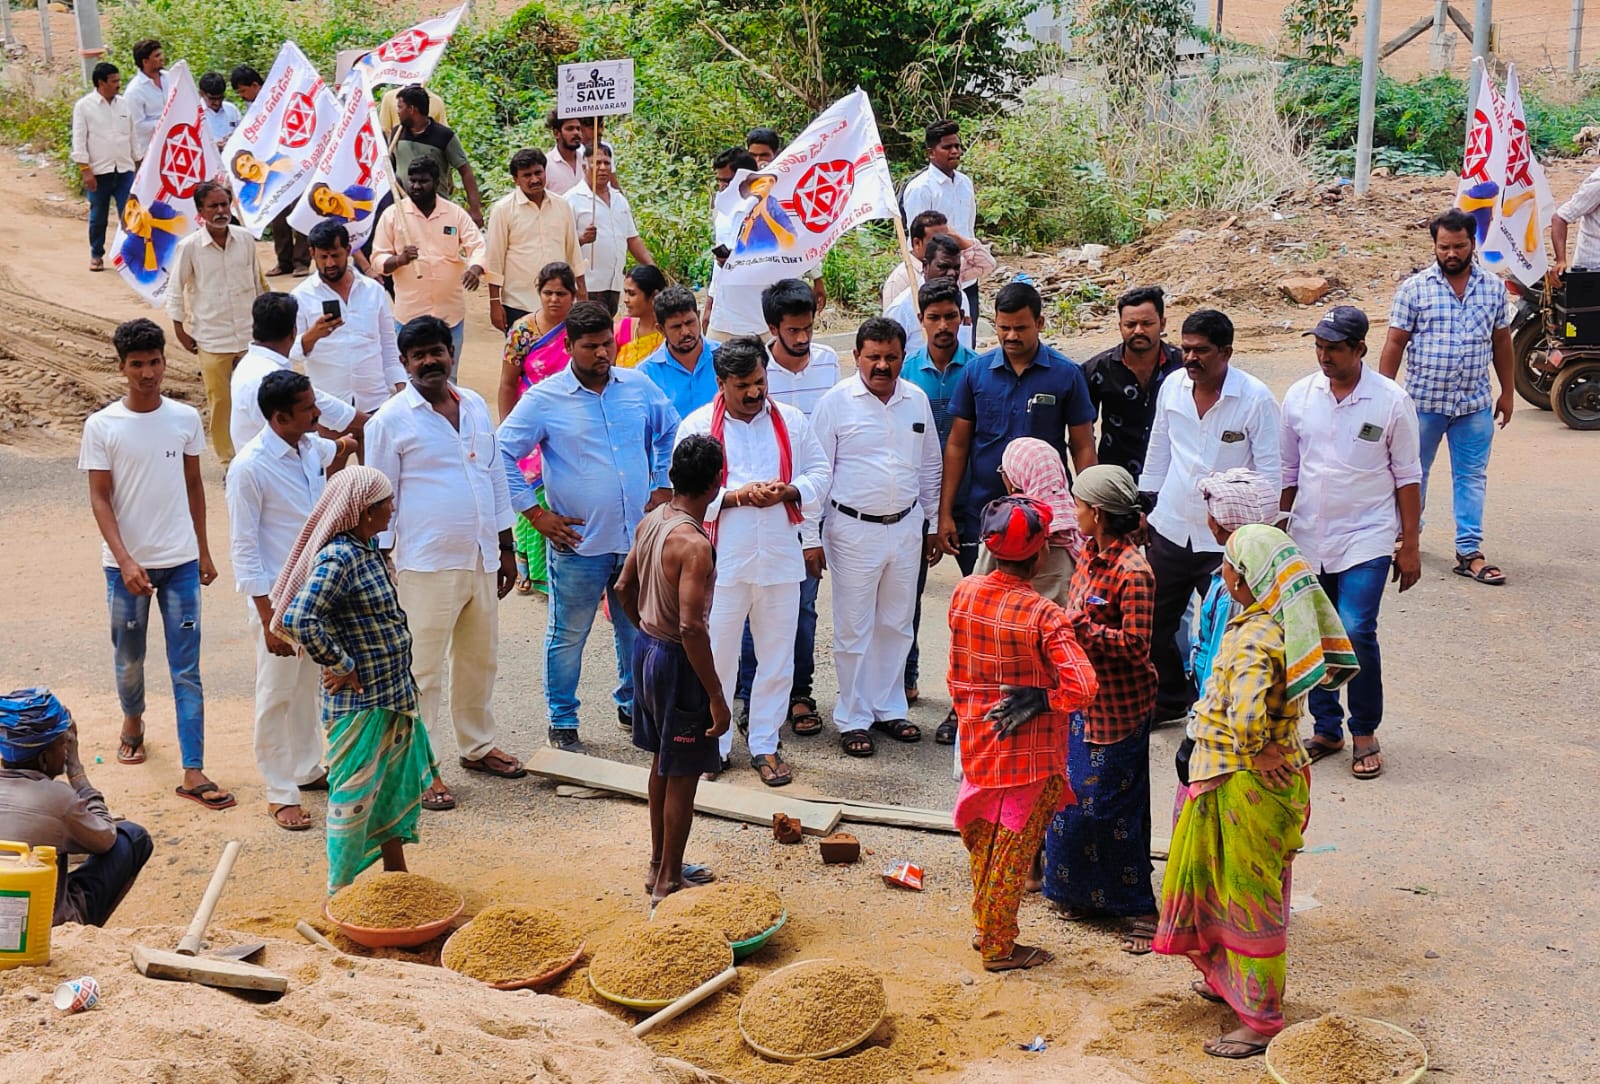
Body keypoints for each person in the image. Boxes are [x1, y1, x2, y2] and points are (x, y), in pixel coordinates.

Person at [1153, 524, 1357, 1060]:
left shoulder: (1250, 638)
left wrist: (1254, 746)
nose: (1222, 573)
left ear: (1245, 581)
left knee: (1247, 899)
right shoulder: (1282, 625)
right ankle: (1232, 984)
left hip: (1242, 781)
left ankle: (1262, 1020)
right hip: (1276, 775)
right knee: (1251, 890)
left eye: (1229, 565)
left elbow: (1244, 716)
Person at [497, 301, 679, 750]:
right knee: (568, 634)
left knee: (635, 627)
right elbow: (500, 453)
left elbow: (669, 429)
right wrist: (535, 514)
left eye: (607, 344)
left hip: (636, 538)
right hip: (578, 544)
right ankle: (562, 720)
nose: (603, 354)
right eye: (591, 346)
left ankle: (633, 703)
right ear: (569, 346)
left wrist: (661, 484)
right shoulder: (543, 399)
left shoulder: (637, 387)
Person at [366, 315, 526, 811]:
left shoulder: (474, 404)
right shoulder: (388, 420)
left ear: (450, 353)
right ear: (406, 362)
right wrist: (383, 563)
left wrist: (506, 547)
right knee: (422, 671)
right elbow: (377, 497)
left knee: (481, 658)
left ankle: (476, 746)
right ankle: (421, 766)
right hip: (424, 562)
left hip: (479, 555)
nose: (432, 361)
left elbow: (495, 477)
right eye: (420, 356)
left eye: (438, 351)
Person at [80, 319, 229, 810]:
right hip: (125, 570)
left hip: (181, 563)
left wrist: (203, 550)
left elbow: (193, 486)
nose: (148, 373)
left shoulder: (185, 419)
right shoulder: (102, 426)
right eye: (137, 364)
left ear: (165, 361)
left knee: (186, 668)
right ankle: (133, 719)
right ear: (122, 367)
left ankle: (194, 769)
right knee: (129, 660)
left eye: (155, 362)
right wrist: (125, 560)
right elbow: (100, 499)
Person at [275, 467, 442, 894]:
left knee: (387, 787)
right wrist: (340, 662)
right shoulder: (340, 557)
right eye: (386, 503)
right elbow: (300, 617)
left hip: (391, 695)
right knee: (352, 802)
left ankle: (395, 875)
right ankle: (341, 893)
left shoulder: (367, 549)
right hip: (361, 703)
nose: (393, 508)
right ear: (365, 512)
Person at [949, 497, 1098, 971]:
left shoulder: (965, 593)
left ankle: (985, 927)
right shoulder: (1044, 616)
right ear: (1038, 557)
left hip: (978, 739)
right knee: (1013, 852)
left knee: (983, 842)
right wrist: (1043, 698)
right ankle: (998, 946)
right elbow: (1083, 688)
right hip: (1029, 758)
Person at [676, 337, 830, 785]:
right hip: (721, 565)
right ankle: (715, 745)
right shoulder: (699, 426)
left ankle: (764, 744)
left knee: (777, 657)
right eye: (742, 385)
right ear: (721, 382)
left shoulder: (793, 423)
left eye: (759, 382)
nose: (753, 393)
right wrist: (738, 496)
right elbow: (684, 496)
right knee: (718, 657)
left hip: (781, 559)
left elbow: (820, 472)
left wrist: (790, 490)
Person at [1283, 306, 1423, 781]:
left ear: (1360, 349)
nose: (1324, 356)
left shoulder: (1391, 401)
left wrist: (1411, 544)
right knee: (1318, 633)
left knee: (1356, 628)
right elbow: (1288, 470)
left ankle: (1365, 730)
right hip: (1307, 535)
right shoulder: (1301, 396)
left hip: (1368, 534)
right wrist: (1278, 528)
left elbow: (1407, 476)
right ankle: (1327, 728)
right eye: (1319, 346)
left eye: (1335, 348)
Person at [228, 370, 358, 830]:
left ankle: (306, 768)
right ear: (280, 417)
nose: (316, 413)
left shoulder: (307, 446)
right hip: (279, 601)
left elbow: (332, 450)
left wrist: (348, 443)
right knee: (277, 693)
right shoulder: (249, 468)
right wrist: (268, 620)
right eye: (307, 408)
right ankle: (279, 791)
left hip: (317, 592)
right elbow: (244, 550)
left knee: (307, 685)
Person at [1139, 309, 1281, 725]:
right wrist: (1146, 506)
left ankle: (1221, 711)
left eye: (1201, 350)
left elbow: (1270, 473)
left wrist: (1258, 538)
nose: (1190, 358)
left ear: (1226, 352)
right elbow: (1159, 447)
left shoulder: (1255, 399)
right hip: (1171, 526)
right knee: (1153, 622)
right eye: (1185, 348)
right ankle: (1169, 699)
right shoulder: (1172, 388)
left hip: (1225, 539)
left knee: (1223, 629)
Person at [1040, 465, 1160, 952]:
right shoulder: (1087, 551)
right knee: (1072, 805)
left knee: (1114, 811)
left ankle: (1138, 908)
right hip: (1082, 700)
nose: (1075, 509)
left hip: (1120, 708)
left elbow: (1136, 645)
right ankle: (1081, 893)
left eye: (1080, 504)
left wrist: (1082, 630)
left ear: (1098, 513)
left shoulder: (1135, 572)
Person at [810, 317, 942, 757]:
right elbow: (817, 473)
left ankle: (889, 708)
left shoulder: (916, 400)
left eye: (891, 357)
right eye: (874, 357)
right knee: (853, 627)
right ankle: (852, 716)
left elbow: (930, 466)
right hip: (851, 529)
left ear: (904, 358)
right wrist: (811, 534)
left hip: (906, 527)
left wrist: (933, 525)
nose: (882, 366)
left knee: (896, 623)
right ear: (857, 357)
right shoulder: (835, 403)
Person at [614, 436, 729, 903]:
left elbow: (623, 586)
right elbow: (692, 628)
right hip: (676, 659)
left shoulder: (651, 521)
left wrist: (645, 631)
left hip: (646, 649)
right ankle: (667, 884)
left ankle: (659, 864)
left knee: (663, 762)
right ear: (716, 483)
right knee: (682, 771)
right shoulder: (694, 545)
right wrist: (717, 697)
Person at [1378, 208, 1512, 587]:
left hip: (1474, 404)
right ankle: (1406, 540)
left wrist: (1508, 392)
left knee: (1471, 476)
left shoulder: (1493, 288)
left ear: (1473, 244)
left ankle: (1469, 551)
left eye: (1459, 246)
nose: (1451, 253)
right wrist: (1383, 395)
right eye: (1444, 247)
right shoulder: (1414, 289)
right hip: (1421, 404)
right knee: (1410, 475)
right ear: (1434, 246)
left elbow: (1502, 341)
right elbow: (1394, 344)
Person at [744, 278, 842, 739]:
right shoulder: (756, 375)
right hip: (758, 510)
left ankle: (799, 695)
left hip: (812, 505)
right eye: (792, 330)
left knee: (802, 607)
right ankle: (749, 697)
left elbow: (823, 457)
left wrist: (814, 533)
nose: (802, 339)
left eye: (807, 328)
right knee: (749, 606)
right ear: (772, 327)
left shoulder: (827, 363)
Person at [938, 281, 1097, 565]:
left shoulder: (1067, 374)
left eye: (1020, 328)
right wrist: (945, 512)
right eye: (1003, 327)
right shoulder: (975, 373)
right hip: (985, 512)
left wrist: (1091, 507)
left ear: (1039, 323)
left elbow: (1083, 446)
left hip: (1047, 519)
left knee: (1043, 597)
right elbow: (957, 446)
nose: (1011, 336)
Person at [0, 690, 153, 927]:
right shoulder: (58, 799)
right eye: (63, 745)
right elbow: (106, 838)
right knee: (133, 837)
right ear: (43, 758)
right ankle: (81, 931)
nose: (66, 751)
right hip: (40, 927)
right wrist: (76, 771)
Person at [902, 278, 979, 739]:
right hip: (918, 505)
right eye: (935, 317)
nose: (944, 325)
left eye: (952, 316)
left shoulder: (982, 369)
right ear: (921, 321)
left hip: (973, 504)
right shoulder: (905, 371)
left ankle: (967, 698)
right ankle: (904, 682)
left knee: (976, 605)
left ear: (963, 318)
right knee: (904, 600)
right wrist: (932, 515)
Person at [1179, 469, 1282, 789]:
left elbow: (1222, 668)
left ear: (1218, 525)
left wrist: (1196, 731)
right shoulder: (1268, 573)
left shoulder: (1234, 592)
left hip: (1223, 734)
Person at [166, 180, 268, 467]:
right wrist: (179, 330)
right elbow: (176, 289)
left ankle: (260, 452)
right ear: (200, 211)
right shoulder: (189, 248)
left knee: (257, 396)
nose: (221, 211)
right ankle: (229, 460)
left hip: (250, 336)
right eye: (213, 206)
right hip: (212, 337)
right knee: (221, 401)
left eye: (225, 204)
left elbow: (259, 283)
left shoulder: (245, 239)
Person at [499, 262, 577, 594]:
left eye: (561, 293)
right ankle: (530, 564)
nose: (554, 299)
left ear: (573, 295)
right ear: (538, 293)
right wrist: (508, 428)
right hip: (530, 420)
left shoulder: (580, 329)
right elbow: (507, 383)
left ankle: (559, 560)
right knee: (529, 486)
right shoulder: (522, 331)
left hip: (572, 420)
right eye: (547, 292)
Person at [371, 157, 487, 372]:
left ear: (436, 181)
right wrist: (399, 260)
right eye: (412, 181)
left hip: (450, 316)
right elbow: (377, 260)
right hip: (409, 316)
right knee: (412, 379)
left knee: (448, 377)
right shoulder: (393, 215)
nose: (415, 186)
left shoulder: (454, 214)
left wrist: (475, 268)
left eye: (422, 181)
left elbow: (478, 245)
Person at [292, 220, 406, 413]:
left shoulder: (374, 291)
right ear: (312, 254)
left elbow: (388, 345)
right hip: (329, 408)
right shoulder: (300, 297)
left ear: (348, 250)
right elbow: (291, 353)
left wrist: (401, 388)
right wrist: (313, 335)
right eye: (323, 257)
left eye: (335, 255)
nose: (330, 263)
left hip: (377, 402)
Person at [230, 292, 360, 453]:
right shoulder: (267, 375)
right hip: (273, 469)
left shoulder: (251, 363)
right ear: (293, 331)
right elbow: (318, 408)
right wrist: (342, 444)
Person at [1081, 285, 1185, 478]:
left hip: (1173, 475)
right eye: (1130, 325)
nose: (1138, 330)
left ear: (1162, 324)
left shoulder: (1183, 367)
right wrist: (1092, 481)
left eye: (1147, 323)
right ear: (1120, 326)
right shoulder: (1096, 370)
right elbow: (1082, 433)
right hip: (1116, 478)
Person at [486, 148, 588, 333]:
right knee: (521, 358)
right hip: (518, 303)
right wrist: (494, 302)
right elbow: (494, 259)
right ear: (516, 179)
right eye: (527, 175)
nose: (534, 179)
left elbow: (573, 251)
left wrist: (582, 292)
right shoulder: (503, 210)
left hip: (558, 302)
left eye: (538, 173)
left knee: (560, 357)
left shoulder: (562, 205)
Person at [902, 118, 981, 321]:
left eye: (957, 146)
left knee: (966, 341)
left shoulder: (965, 183)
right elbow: (918, 242)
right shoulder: (921, 189)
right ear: (931, 152)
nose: (955, 151)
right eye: (947, 147)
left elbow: (968, 227)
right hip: (937, 280)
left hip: (966, 277)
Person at [569, 142, 655, 316]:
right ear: (585, 165)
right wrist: (582, 239)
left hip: (614, 284)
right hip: (586, 286)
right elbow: (561, 245)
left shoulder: (619, 200)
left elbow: (632, 239)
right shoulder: (571, 200)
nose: (602, 168)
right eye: (597, 163)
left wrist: (653, 268)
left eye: (607, 163)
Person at [388, 85, 484, 227]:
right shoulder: (397, 134)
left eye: (400, 107)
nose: (397, 112)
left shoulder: (444, 136)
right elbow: (391, 168)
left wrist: (475, 209)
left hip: (437, 211)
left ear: (412, 109)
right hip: (405, 210)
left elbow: (465, 171)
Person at [71, 62, 136, 273]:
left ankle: (129, 255)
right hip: (99, 172)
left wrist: (139, 162)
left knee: (129, 214)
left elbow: (132, 136)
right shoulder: (84, 106)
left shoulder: (124, 104)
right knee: (98, 215)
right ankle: (96, 254)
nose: (119, 85)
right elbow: (79, 140)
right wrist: (85, 170)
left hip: (125, 169)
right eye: (114, 81)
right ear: (101, 83)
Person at [881, 209, 997, 312]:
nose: (942, 244)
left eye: (946, 238)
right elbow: (891, 326)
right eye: (935, 240)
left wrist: (957, 238)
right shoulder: (900, 280)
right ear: (917, 243)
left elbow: (987, 265)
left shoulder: (952, 269)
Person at [639, 285, 720, 419]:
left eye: (690, 322)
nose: (686, 332)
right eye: (676, 327)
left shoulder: (725, 357)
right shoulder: (647, 374)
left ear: (698, 316)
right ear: (661, 329)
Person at [884, 234, 972, 354]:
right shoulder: (901, 309)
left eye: (956, 267)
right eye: (943, 267)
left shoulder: (962, 298)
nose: (951, 273)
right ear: (925, 266)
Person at [615, 264, 667, 368]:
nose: (625, 299)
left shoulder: (670, 331)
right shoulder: (622, 328)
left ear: (654, 296)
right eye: (625, 292)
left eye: (632, 294)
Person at [124, 39, 166, 163]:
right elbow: (137, 126)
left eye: (161, 54)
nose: (162, 58)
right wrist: (165, 122)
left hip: (175, 146)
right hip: (150, 154)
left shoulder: (170, 78)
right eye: (157, 56)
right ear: (145, 61)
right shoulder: (134, 91)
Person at [544, 110, 588, 196]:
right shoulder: (546, 164)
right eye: (570, 129)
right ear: (556, 133)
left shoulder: (587, 161)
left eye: (578, 129)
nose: (576, 132)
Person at [197, 71, 241, 150]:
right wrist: (212, 147)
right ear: (201, 94)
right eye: (212, 99)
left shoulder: (231, 110)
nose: (217, 103)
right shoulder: (194, 114)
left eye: (220, 98)